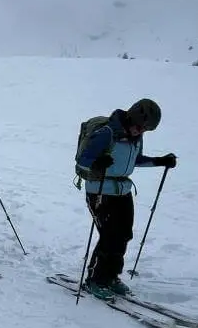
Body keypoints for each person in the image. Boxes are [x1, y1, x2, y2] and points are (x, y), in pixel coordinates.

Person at [74, 98, 177, 298]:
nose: (141, 132)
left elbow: (135, 160)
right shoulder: (107, 133)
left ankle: (111, 277)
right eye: (139, 127)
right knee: (109, 236)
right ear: (131, 117)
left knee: (124, 235)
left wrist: (160, 161)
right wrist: (98, 163)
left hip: (122, 190)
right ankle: (95, 279)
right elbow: (82, 162)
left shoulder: (135, 138)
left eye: (145, 130)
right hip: (100, 190)